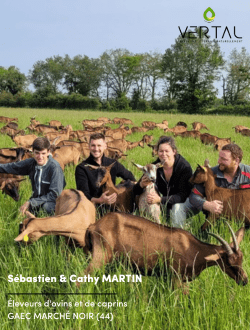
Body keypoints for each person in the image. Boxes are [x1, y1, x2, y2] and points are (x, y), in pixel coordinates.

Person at [133, 136, 194, 227]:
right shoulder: (154, 167)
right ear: (157, 152)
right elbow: (135, 190)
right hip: (167, 201)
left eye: (167, 151)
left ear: (174, 151)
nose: (163, 154)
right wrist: (141, 184)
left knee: (177, 208)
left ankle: (176, 235)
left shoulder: (184, 167)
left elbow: (183, 195)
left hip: (185, 201)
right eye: (161, 151)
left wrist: (160, 199)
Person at [0, 137, 66, 215]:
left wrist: (31, 202)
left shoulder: (55, 168)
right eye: (37, 153)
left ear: (48, 152)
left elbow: (55, 194)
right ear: (32, 151)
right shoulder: (31, 163)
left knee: (46, 207)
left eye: (43, 153)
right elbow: (12, 167)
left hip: (53, 202)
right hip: (36, 200)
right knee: (20, 215)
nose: (40, 157)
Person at [75, 133, 136, 206]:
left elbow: (129, 176)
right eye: (93, 145)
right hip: (93, 207)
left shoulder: (112, 163)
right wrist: (99, 200)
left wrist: (121, 192)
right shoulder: (82, 168)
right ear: (89, 147)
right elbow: (83, 194)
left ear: (105, 146)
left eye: (99, 145)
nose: (96, 149)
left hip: (113, 205)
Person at [189, 143, 250, 216]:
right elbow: (193, 196)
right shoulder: (210, 174)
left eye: (223, 159)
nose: (218, 161)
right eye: (219, 157)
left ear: (236, 161)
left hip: (244, 218)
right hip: (217, 219)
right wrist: (206, 204)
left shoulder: (248, 172)